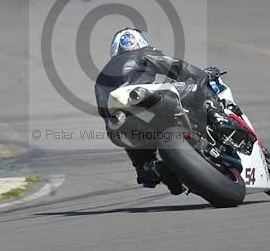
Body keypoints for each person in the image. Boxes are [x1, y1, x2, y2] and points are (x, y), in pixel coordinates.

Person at [94, 27, 253, 194]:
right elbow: (177, 67)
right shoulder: (143, 53)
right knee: (198, 84)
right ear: (138, 41)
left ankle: (151, 169)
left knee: (141, 157)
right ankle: (218, 117)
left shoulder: (101, 78)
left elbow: (104, 112)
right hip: (144, 98)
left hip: (119, 126)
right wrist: (202, 75)